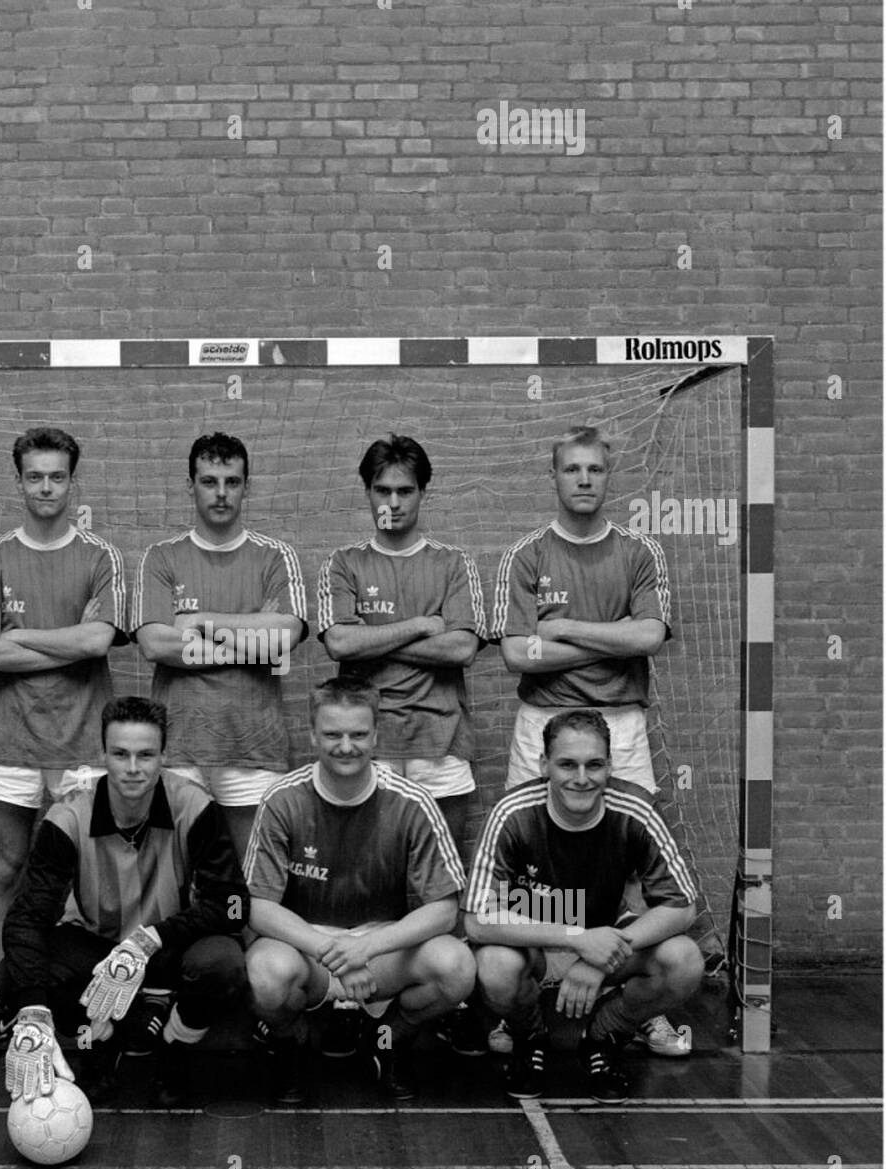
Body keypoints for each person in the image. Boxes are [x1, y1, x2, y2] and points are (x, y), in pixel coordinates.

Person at [489, 425, 689, 1059]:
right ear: (554, 476)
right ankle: (520, 999)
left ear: (608, 477)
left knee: (629, 866)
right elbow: (518, 652)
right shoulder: (526, 555)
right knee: (528, 858)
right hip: (539, 723)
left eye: (594, 471)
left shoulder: (638, 553)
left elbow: (649, 637)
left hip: (621, 723)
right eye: (571, 469)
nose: (583, 480)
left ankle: (632, 1000)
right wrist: (612, 632)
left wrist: (567, 628)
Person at [317, 434, 485, 1059]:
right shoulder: (345, 563)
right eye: (382, 491)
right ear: (366, 494)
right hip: (373, 746)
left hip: (441, 742)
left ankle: (447, 1003)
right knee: (365, 883)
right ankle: (353, 1002)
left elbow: (463, 647)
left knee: (444, 885)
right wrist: (419, 625)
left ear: (423, 494)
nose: (393, 502)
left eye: (405, 491)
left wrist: (374, 637)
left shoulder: (452, 563)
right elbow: (338, 644)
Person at [0, 696, 247, 1108]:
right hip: (98, 951)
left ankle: (175, 1046)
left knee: (222, 964)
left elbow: (234, 904)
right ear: (104, 755)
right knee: (15, 975)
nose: (133, 768)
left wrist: (152, 938)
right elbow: (26, 917)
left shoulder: (194, 806)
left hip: (166, 946)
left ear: (164, 755)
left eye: (146, 755)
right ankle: (101, 1040)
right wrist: (33, 1012)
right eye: (121, 754)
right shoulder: (68, 818)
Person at [0, 427, 127, 1052]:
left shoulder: (100, 557)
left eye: (57, 476)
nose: (46, 487)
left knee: (85, 883)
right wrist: (61, 639)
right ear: (19, 481)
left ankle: (86, 1003)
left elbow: (97, 642)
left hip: (83, 740)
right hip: (8, 738)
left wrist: (22, 637)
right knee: (6, 869)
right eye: (35, 476)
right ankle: (4, 996)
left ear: (72, 481)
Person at [243, 677, 474, 1104]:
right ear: (312, 734)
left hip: (380, 951)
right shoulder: (281, 799)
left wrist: (365, 949)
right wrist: (332, 951)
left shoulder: (413, 801)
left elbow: (444, 910)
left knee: (456, 966)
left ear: (376, 735)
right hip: (307, 949)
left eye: (358, 734)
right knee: (264, 976)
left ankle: (387, 1038)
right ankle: (294, 1044)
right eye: (332, 734)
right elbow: (256, 906)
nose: (346, 746)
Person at [464, 710, 703, 1104]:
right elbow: (477, 921)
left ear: (610, 766)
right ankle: (529, 1037)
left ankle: (604, 1037)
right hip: (534, 946)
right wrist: (578, 938)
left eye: (594, 764)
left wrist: (599, 957)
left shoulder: (636, 810)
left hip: (610, 944)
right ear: (544, 766)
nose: (581, 777)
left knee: (685, 960)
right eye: (567, 764)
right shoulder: (512, 814)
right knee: (494, 965)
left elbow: (680, 907)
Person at [132, 432, 308, 864]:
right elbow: (156, 644)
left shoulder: (275, 557)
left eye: (232, 481)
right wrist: (253, 645)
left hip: (253, 748)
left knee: (252, 880)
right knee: (172, 878)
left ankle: (241, 937)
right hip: (179, 747)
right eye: (209, 481)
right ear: (190, 485)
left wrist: (201, 622)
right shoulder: (162, 557)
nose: (222, 493)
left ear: (248, 486)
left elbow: (283, 639)